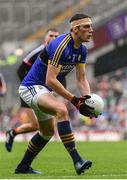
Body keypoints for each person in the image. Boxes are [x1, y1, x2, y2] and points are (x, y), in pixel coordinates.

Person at [15, 13, 95, 175]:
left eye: (91, 26)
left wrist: (88, 100)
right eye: (87, 26)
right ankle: (77, 160)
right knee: (62, 110)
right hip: (31, 87)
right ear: (75, 29)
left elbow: (81, 79)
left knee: (47, 132)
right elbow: (50, 80)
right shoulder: (60, 46)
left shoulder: (82, 50)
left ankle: (23, 167)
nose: (91, 30)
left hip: (43, 90)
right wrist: (74, 100)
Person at [5, 28, 60, 152]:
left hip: (44, 93)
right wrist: (30, 85)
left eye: (57, 36)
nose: (54, 38)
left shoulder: (57, 54)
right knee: (36, 125)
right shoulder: (38, 52)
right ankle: (13, 134)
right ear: (45, 38)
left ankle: (13, 133)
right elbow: (20, 69)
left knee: (39, 125)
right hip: (29, 91)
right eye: (51, 35)